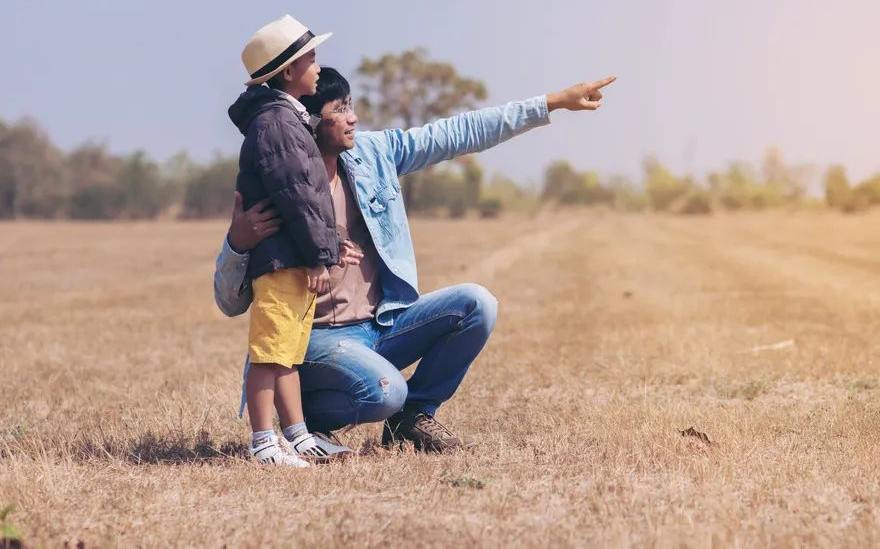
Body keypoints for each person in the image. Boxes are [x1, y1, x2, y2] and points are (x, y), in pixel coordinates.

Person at [215, 66, 616, 451]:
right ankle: (304, 420)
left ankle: (412, 418)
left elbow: (457, 133)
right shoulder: (277, 182)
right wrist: (237, 241)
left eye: (351, 105)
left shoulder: (374, 155)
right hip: (316, 340)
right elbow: (229, 302)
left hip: (381, 324)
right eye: (339, 110)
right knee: (385, 391)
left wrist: (553, 102)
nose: (353, 118)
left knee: (476, 304)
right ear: (310, 122)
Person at [227, 15, 349, 466]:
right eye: (311, 58)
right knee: (268, 354)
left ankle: (297, 436)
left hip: (294, 259)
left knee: (288, 355)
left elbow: (311, 200)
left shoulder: (289, 119)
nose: (318, 67)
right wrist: (321, 257)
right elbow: (298, 196)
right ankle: (263, 442)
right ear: (287, 72)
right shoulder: (276, 123)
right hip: (280, 260)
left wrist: (328, 247)